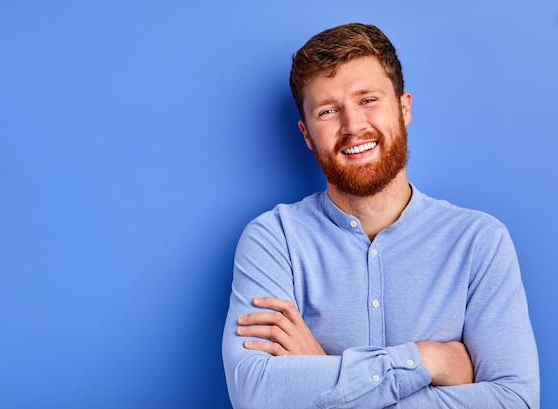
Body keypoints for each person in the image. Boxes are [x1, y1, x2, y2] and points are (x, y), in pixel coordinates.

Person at [221, 23, 539, 409]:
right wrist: (429, 359)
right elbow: (255, 395)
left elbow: (515, 401)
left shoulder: (479, 242)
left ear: (404, 108)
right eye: (328, 111)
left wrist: (323, 370)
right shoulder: (274, 240)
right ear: (306, 135)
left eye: (368, 100)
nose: (353, 127)